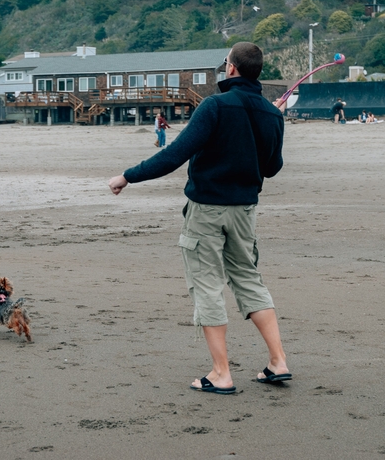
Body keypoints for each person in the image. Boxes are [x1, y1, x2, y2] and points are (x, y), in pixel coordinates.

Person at [108, 42, 291, 395]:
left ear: (232, 68)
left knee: (207, 285)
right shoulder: (270, 113)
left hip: (207, 210)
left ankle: (221, 373)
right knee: (249, 280)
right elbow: (272, 167)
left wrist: (127, 176)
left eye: (225, 64)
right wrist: (274, 122)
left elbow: (175, 154)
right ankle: (278, 361)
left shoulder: (216, 105)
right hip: (244, 212)